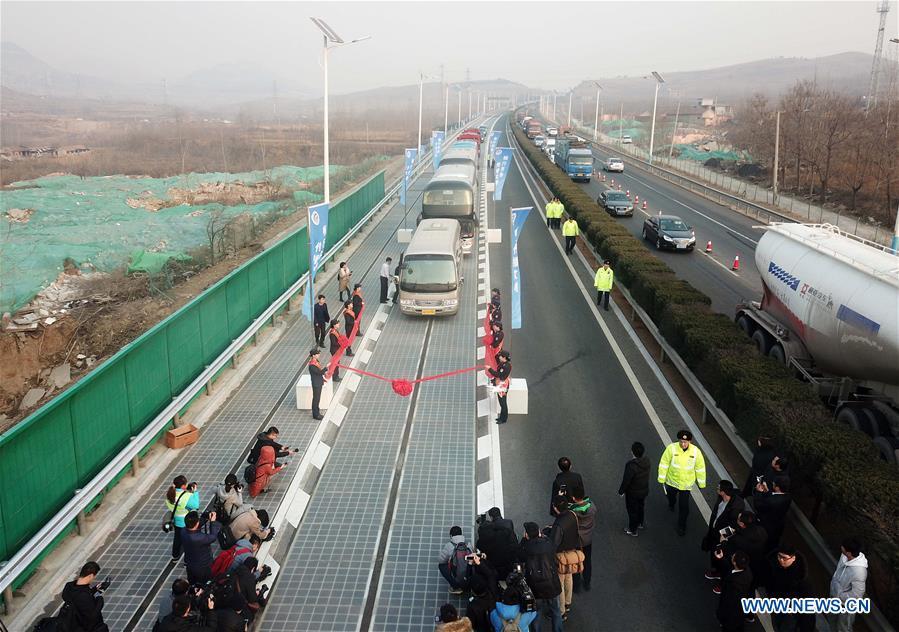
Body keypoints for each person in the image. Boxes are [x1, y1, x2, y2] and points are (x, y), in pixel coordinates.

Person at [658, 429, 707, 536]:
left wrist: (701, 483)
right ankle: (671, 503)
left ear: (690, 441)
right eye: (681, 441)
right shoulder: (671, 448)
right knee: (671, 497)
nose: (683, 444)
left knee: (684, 507)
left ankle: (682, 526)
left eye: (685, 442)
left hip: (686, 486)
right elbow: (664, 463)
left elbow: (700, 468)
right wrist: (661, 478)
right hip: (672, 482)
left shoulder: (696, 452)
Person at [518, 522, 563, 632]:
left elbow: (519, 555)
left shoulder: (527, 548)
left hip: (535, 587)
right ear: (538, 532)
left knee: (536, 613)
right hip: (551, 583)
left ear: (527, 535)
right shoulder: (548, 543)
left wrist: (524, 540)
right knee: (556, 611)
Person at [709, 511, 767, 591]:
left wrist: (723, 541)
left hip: (739, 559)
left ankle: (722, 585)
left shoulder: (739, 540)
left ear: (742, 524)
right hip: (753, 560)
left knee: (729, 570)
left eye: (739, 519)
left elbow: (727, 547)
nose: (737, 519)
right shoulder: (761, 531)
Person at [766, 545, 815, 632]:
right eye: (779, 556)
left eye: (784, 558)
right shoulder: (772, 565)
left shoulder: (802, 578)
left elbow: (808, 606)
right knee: (776, 625)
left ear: (793, 558)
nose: (781, 560)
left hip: (791, 612)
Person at [549, 497, 582, 621]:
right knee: (569, 577)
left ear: (556, 508)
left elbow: (554, 543)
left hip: (561, 557)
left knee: (560, 583)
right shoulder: (572, 515)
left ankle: (561, 611)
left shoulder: (558, 524)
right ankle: (568, 603)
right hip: (572, 553)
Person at [827, 537, 868, 632]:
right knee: (831, 621)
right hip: (834, 599)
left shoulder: (859, 571)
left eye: (843, 547)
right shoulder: (844, 556)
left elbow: (857, 595)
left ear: (849, 552)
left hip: (846, 606)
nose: (841, 548)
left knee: (843, 628)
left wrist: (839, 595)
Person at [59, 561, 109, 632]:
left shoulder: (69, 586)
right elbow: (93, 615)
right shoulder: (83, 595)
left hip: (76, 625)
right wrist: (100, 598)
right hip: (91, 628)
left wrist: (96, 589)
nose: (93, 578)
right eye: (94, 576)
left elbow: (80, 598)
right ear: (90, 575)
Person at [702, 480, 745, 556]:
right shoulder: (721, 498)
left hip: (720, 534)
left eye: (718, 488)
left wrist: (723, 537)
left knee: (715, 551)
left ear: (723, 492)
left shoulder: (735, 508)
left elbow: (733, 525)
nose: (717, 488)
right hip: (714, 528)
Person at [716, 551, 754, 632]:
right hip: (740, 612)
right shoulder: (747, 572)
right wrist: (722, 559)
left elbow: (727, 602)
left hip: (731, 614)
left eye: (733, 556)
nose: (732, 555)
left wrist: (721, 616)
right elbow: (731, 569)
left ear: (734, 563)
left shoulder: (734, 584)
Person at [618, 441, 650, 536]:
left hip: (633, 493)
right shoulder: (647, 461)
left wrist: (621, 491)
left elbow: (626, 480)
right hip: (644, 490)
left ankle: (633, 530)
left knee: (632, 510)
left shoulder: (631, 466)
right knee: (641, 506)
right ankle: (640, 523)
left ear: (632, 452)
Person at [476, 507, 518, 579]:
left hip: (495, 563)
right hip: (509, 559)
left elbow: (481, 545)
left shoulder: (492, 528)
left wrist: (483, 526)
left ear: (491, 517)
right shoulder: (509, 522)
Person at [181, 510, 221, 584]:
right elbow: (213, 537)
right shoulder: (199, 538)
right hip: (202, 567)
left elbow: (194, 526)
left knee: (192, 583)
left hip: (190, 564)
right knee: (204, 584)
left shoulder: (183, 531)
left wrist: (206, 517)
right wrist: (212, 522)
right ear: (197, 523)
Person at [166, 476, 200, 561]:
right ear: (183, 486)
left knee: (177, 539)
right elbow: (196, 506)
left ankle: (175, 556)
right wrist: (195, 492)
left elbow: (171, 506)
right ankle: (187, 561)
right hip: (186, 522)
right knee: (188, 542)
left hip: (177, 521)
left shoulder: (170, 494)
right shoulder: (187, 496)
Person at [753, 476, 792, 551]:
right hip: (777, 525)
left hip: (766, 525)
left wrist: (758, 492)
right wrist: (767, 491)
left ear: (777, 487)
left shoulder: (771, 501)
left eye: (774, 484)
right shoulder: (788, 497)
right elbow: (774, 497)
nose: (772, 484)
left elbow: (758, 506)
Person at [569, 486, 596, 593]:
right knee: (587, 560)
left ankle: (576, 586)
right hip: (588, 539)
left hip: (577, 540)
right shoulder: (592, 507)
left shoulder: (573, 512)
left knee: (575, 561)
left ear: (574, 498)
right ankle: (587, 582)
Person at [438, 525, 473, 594]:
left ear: (451, 536)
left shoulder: (449, 546)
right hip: (469, 577)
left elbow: (441, 560)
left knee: (441, 566)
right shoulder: (468, 545)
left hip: (457, 577)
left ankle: (456, 587)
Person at [487, 350, 511, 424]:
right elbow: (496, 357)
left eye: (501, 356)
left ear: (504, 358)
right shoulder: (504, 363)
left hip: (502, 386)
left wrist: (489, 369)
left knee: (503, 403)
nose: (499, 356)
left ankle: (503, 419)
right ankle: (502, 417)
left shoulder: (505, 367)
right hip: (500, 384)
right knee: (501, 402)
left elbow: (498, 374)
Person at [309, 347, 326, 420]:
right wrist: (326, 368)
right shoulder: (312, 365)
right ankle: (315, 415)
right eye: (317, 354)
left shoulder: (316, 361)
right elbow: (319, 372)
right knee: (316, 399)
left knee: (317, 398)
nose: (319, 355)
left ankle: (317, 412)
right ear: (313, 355)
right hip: (316, 384)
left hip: (318, 382)